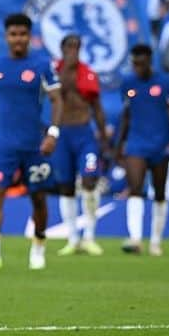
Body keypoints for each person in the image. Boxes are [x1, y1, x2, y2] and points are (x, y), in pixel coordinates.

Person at [0, 13, 62, 272]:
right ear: (7, 37)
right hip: (3, 144)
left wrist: (53, 133)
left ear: (29, 36)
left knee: (38, 199)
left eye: (22, 34)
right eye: (13, 34)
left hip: (34, 144)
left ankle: (38, 249)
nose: (18, 39)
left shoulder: (42, 65)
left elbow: (57, 100)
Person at [115, 44, 169, 255]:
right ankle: (135, 239)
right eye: (134, 64)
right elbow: (126, 114)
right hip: (136, 142)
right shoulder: (127, 82)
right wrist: (119, 144)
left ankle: (155, 241)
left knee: (159, 192)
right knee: (135, 188)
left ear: (150, 61)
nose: (137, 68)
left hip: (161, 142)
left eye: (141, 64)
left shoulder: (164, 82)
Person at [52, 34, 108, 256]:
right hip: (62, 133)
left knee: (88, 179)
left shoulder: (88, 74)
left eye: (77, 47)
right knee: (65, 185)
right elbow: (54, 96)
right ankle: (73, 238)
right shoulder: (55, 72)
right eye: (69, 47)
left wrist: (103, 135)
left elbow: (96, 106)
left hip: (84, 134)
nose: (73, 51)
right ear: (63, 49)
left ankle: (90, 236)